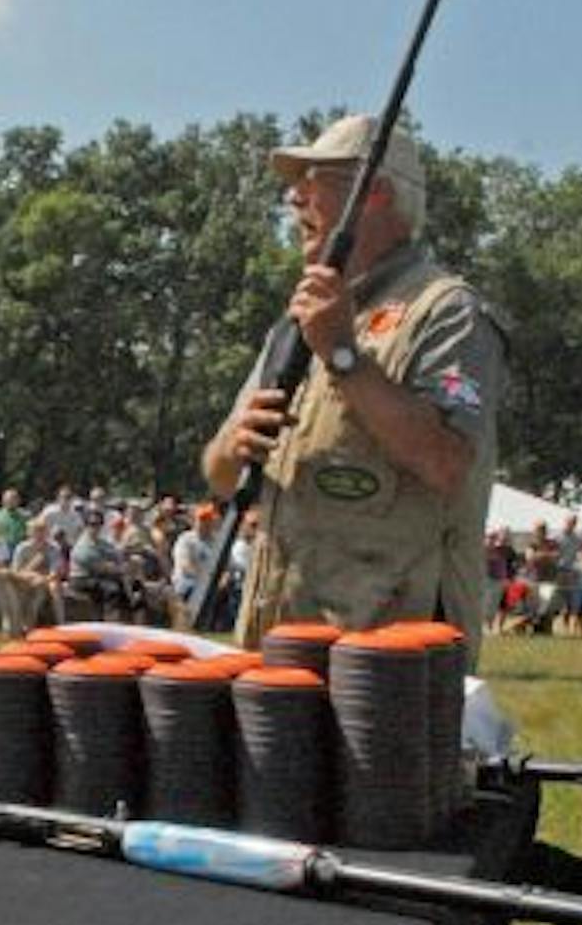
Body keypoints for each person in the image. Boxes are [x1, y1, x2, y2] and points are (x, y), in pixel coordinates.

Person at [201, 115, 506, 670]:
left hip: (390, 666)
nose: (295, 197)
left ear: (378, 194)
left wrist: (344, 356)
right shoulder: (293, 325)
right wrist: (232, 447)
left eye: (317, 178)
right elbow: (219, 475)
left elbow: (447, 463)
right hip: (277, 652)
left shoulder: (446, 313)